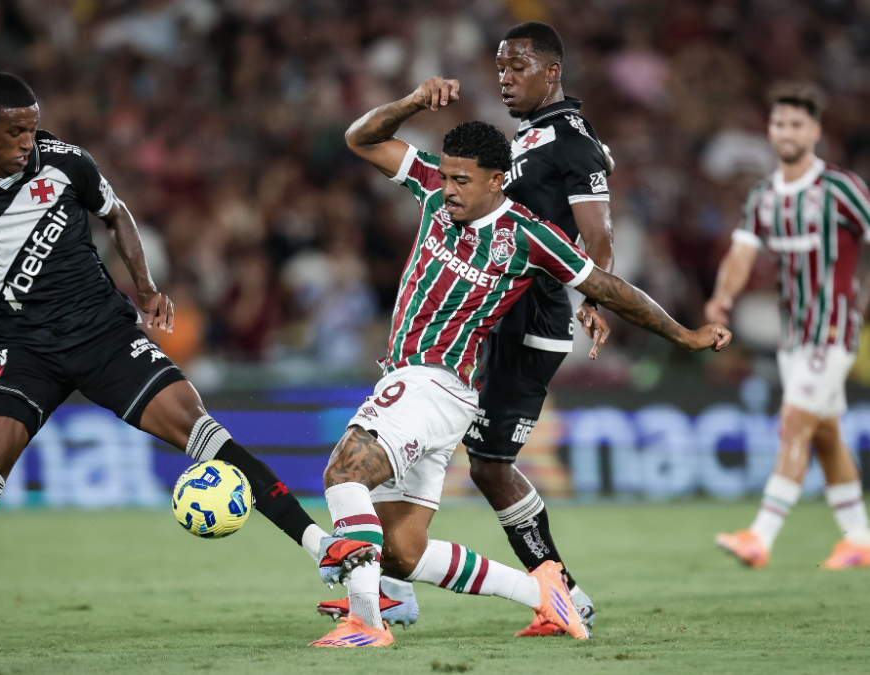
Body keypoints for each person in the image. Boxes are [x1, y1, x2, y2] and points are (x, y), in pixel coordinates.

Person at [0, 73, 371, 653]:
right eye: (14, 132)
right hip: (24, 348)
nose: (27, 143)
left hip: (103, 334)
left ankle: (322, 548)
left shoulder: (66, 162)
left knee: (201, 429)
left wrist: (143, 285)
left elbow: (118, 215)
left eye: (32, 129)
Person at [309, 77, 731, 648]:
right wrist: (411, 103)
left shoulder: (530, 238)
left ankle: (367, 621)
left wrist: (683, 335)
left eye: (463, 180)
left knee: (343, 474)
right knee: (402, 553)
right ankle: (546, 594)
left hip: (429, 382)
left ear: (497, 179)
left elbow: (611, 287)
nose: (450, 189)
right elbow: (360, 138)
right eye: (448, 175)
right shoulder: (432, 184)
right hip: (440, 395)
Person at [319, 20, 615, 637]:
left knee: (487, 465)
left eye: (517, 68)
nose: (504, 79)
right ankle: (397, 587)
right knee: (431, 500)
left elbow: (597, 233)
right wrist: (412, 102)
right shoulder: (522, 139)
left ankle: (562, 592)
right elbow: (365, 140)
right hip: (489, 324)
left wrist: (598, 294)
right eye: (500, 68)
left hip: (530, 321)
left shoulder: (571, 140)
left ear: (552, 71)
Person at [709, 83, 870, 570]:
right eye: (780, 123)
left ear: (815, 131)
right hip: (794, 332)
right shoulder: (763, 197)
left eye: (797, 124)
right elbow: (741, 253)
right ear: (770, 130)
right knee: (824, 434)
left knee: (793, 422)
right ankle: (859, 538)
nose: (787, 132)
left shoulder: (842, 189)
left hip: (834, 327)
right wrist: (723, 296)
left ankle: (760, 536)